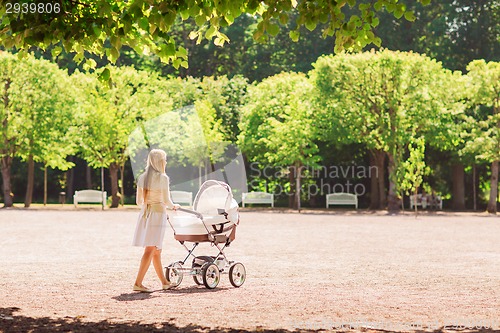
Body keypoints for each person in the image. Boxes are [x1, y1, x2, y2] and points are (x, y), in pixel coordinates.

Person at [132, 149, 180, 292]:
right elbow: (166, 200)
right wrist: (174, 206)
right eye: (164, 159)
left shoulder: (143, 177)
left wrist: (149, 204)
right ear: (160, 161)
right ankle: (138, 283)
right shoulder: (162, 178)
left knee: (156, 250)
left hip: (146, 214)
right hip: (157, 215)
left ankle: (164, 282)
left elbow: (138, 201)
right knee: (151, 248)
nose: (166, 162)